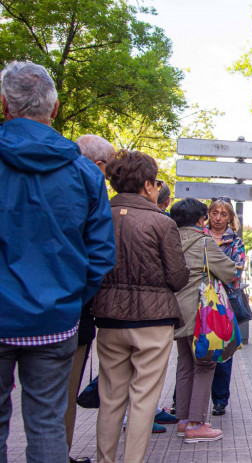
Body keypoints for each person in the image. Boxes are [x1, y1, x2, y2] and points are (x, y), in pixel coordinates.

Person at [0, 61, 116, 463]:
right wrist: (70, 298)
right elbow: (101, 252)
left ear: (3, 104)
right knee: (47, 422)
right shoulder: (85, 174)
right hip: (55, 319)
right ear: (54, 108)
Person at [91, 149, 189, 463]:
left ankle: (105, 458)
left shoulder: (99, 214)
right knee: (144, 399)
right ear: (147, 185)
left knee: (110, 398)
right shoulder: (161, 222)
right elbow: (176, 277)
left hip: (109, 317)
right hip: (153, 319)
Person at [62, 134, 116, 463]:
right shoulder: (86, 184)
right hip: (64, 314)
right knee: (57, 402)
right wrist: (81, 298)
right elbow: (100, 254)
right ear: (98, 167)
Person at [171, 198, 236, 443]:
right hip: (199, 313)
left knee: (185, 364)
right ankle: (196, 424)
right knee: (205, 364)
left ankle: (183, 420)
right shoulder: (204, 241)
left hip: (173, 310)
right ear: (201, 219)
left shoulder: (169, 238)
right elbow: (228, 271)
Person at [206, 196, 246, 416]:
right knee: (195, 350)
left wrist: (210, 272)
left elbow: (235, 272)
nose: (218, 218)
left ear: (230, 217)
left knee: (223, 352)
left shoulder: (235, 241)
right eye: (215, 213)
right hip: (200, 300)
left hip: (224, 302)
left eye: (223, 214)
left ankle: (220, 400)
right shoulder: (200, 236)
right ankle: (181, 400)